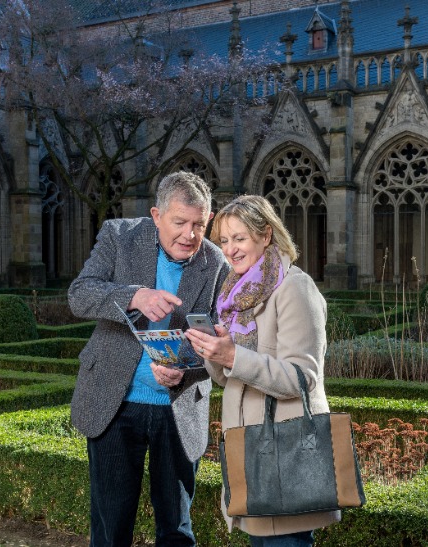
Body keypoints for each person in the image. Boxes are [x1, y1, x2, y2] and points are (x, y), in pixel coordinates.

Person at [68, 171, 230, 547]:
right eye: (179, 223)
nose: (190, 235)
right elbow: (79, 294)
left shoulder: (216, 262)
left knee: (176, 529)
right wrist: (134, 295)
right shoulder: (119, 236)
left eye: (199, 225)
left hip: (176, 409)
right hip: (114, 403)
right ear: (157, 216)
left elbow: (219, 342)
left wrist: (184, 373)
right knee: (111, 528)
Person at [184, 195, 339, 547]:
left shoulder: (295, 288)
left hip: (286, 452)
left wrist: (234, 355)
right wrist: (214, 353)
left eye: (239, 238)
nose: (230, 250)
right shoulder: (235, 297)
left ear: (266, 235)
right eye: (224, 241)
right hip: (250, 450)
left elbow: (302, 378)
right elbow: (230, 379)